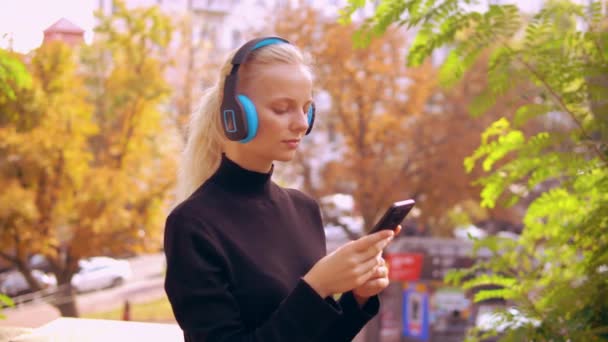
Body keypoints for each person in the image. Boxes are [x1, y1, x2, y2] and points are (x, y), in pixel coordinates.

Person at [163, 36, 401, 342]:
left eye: (306, 109)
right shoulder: (192, 225)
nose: (302, 123)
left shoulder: (304, 209)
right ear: (235, 115)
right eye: (282, 109)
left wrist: (357, 299)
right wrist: (316, 287)